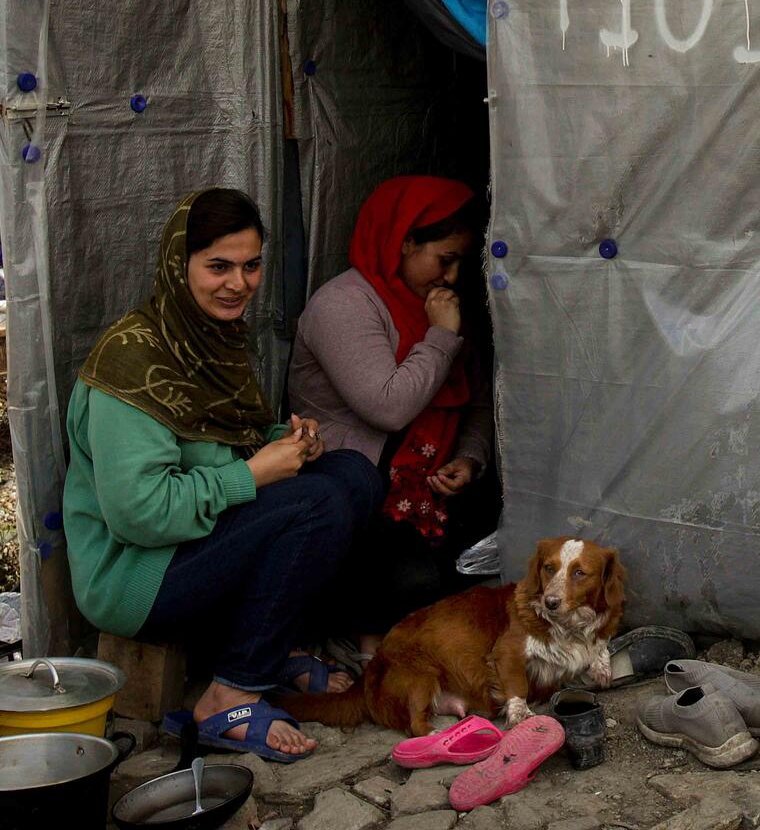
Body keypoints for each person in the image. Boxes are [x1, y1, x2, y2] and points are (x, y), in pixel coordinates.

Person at [63, 188, 383, 762]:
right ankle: (228, 693)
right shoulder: (132, 364)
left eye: (250, 266)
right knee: (316, 506)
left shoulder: (209, 341)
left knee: (353, 476)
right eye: (218, 267)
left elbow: (215, 446)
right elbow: (140, 514)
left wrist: (280, 445)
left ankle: (270, 646)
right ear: (178, 266)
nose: (237, 283)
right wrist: (256, 473)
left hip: (191, 546)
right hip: (135, 575)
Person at [288, 176, 497, 660]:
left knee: (490, 557)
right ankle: (354, 639)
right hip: (359, 491)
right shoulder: (343, 305)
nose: (451, 276)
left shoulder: (435, 305)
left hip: (427, 489)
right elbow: (388, 406)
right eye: (444, 259)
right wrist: (441, 337)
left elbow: (481, 402)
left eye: (461, 262)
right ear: (404, 241)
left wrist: (469, 457)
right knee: (416, 579)